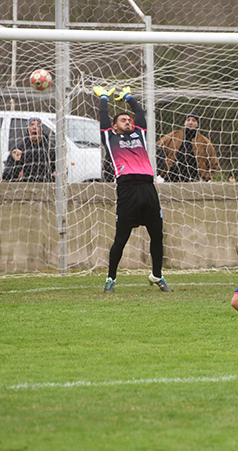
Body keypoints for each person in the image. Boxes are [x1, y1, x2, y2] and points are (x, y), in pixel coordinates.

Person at [93, 84, 169, 294]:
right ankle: (111, 278)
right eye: (123, 120)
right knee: (121, 239)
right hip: (127, 191)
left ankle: (157, 275)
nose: (128, 122)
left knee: (157, 235)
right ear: (115, 126)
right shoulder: (110, 138)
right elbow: (103, 119)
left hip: (148, 188)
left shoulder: (140, 136)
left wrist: (128, 96)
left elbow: (140, 113)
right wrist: (104, 100)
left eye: (129, 120)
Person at [156, 112, 218, 182]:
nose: (190, 122)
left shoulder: (204, 141)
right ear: (184, 122)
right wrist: (160, 172)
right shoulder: (173, 136)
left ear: (197, 124)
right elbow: (157, 149)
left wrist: (206, 176)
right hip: (170, 179)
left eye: (193, 120)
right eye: (188, 120)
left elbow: (213, 162)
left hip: (194, 181)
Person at [2, 117, 55, 182]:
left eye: (37, 125)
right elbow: (7, 175)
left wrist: (55, 174)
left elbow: (58, 170)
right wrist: (17, 162)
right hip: (24, 186)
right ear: (28, 129)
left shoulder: (50, 148)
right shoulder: (19, 148)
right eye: (31, 125)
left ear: (41, 130)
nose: (34, 127)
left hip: (45, 186)